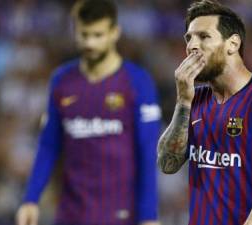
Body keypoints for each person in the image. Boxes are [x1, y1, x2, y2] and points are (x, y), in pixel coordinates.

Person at [16, 1, 161, 225]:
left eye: (98, 35)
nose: (90, 42)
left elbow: (147, 151)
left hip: (121, 213)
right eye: (84, 34)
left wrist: (149, 215)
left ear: (115, 33)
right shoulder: (62, 80)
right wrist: (31, 198)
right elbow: (49, 144)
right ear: (75, 32)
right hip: (71, 213)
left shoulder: (137, 81)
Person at [157, 0, 252, 225]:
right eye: (188, 38)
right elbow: (167, 165)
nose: (192, 46)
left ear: (232, 44)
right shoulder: (195, 98)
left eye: (203, 36)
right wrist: (183, 102)